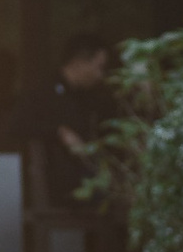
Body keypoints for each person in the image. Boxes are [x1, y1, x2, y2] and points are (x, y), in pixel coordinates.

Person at [23, 31, 115, 183]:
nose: (101, 75)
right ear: (79, 62)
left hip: (88, 173)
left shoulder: (85, 96)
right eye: (99, 67)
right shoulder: (44, 91)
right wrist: (60, 132)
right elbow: (19, 124)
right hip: (59, 180)